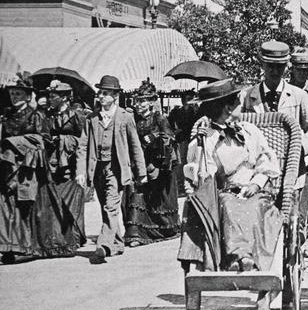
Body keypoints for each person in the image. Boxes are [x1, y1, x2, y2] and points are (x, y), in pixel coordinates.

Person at [178, 79, 283, 272]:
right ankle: (240, 255)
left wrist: (256, 184)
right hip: (226, 192)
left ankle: (245, 257)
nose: (240, 108)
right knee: (228, 204)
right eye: (237, 104)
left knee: (256, 206)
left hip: (257, 191)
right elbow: (201, 175)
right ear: (227, 108)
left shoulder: (250, 131)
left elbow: (267, 161)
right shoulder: (206, 138)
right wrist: (202, 142)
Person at [76, 75, 147, 262]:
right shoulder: (91, 119)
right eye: (100, 92)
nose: (101, 96)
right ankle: (116, 244)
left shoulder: (125, 117)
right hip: (97, 168)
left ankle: (104, 244)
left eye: (105, 93)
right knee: (104, 206)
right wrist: (81, 172)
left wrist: (141, 173)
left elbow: (135, 146)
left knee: (111, 206)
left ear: (115, 95)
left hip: (116, 169)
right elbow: (83, 146)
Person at [241, 41, 308, 161]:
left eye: (279, 66)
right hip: (256, 164)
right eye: (270, 66)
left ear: (286, 67)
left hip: (291, 164)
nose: (274, 71)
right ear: (262, 64)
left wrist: (300, 148)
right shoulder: (246, 96)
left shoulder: (299, 96)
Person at [0, 73, 51, 264]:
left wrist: (17, 144)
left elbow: (44, 141)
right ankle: (7, 247)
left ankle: (25, 247)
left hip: (27, 169)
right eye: (12, 93)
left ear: (28, 96)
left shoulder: (36, 116)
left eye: (18, 94)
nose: (14, 97)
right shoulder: (5, 116)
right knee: (5, 206)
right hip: (6, 168)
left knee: (24, 206)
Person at [123, 80, 180, 247]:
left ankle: (162, 229)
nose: (139, 104)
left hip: (158, 164)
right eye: (137, 101)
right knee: (138, 195)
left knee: (157, 200)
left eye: (143, 101)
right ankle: (135, 233)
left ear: (151, 102)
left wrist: (155, 136)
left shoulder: (159, 118)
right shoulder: (133, 119)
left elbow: (170, 137)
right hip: (140, 163)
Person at [43, 80, 87, 254]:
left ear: (63, 98)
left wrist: (64, 141)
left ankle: (76, 236)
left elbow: (84, 140)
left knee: (72, 200)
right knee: (54, 199)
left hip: (71, 163)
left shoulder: (77, 115)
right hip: (52, 163)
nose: (49, 99)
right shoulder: (47, 115)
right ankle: (59, 237)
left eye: (53, 96)